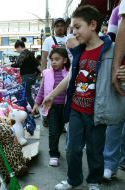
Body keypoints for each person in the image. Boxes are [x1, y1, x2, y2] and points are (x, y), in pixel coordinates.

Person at [42, 5, 112, 190]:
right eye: (72, 28)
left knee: (95, 150)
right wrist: (51, 95)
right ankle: (73, 180)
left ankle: (94, 181)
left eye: (77, 27)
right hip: (75, 109)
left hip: (97, 111)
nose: (73, 32)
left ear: (92, 25)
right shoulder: (78, 52)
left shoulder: (109, 50)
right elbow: (70, 77)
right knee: (72, 148)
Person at [32, 48, 70, 166]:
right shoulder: (47, 73)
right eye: (52, 60)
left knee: (59, 130)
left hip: (65, 107)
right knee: (53, 132)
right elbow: (42, 90)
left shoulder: (69, 73)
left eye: (57, 59)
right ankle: (54, 154)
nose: (53, 62)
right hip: (52, 107)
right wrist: (36, 104)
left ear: (64, 60)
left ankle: (63, 150)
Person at [103, 1, 125, 180]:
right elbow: (111, 38)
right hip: (122, 72)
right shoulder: (118, 9)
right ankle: (110, 163)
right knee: (115, 121)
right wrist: (115, 68)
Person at [11, 37, 41, 118]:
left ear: (20, 47)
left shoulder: (24, 54)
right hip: (31, 76)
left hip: (27, 76)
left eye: (17, 49)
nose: (17, 51)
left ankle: (36, 112)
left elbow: (18, 64)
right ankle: (34, 111)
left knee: (27, 95)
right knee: (28, 95)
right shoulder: (29, 53)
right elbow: (37, 65)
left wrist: (10, 65)